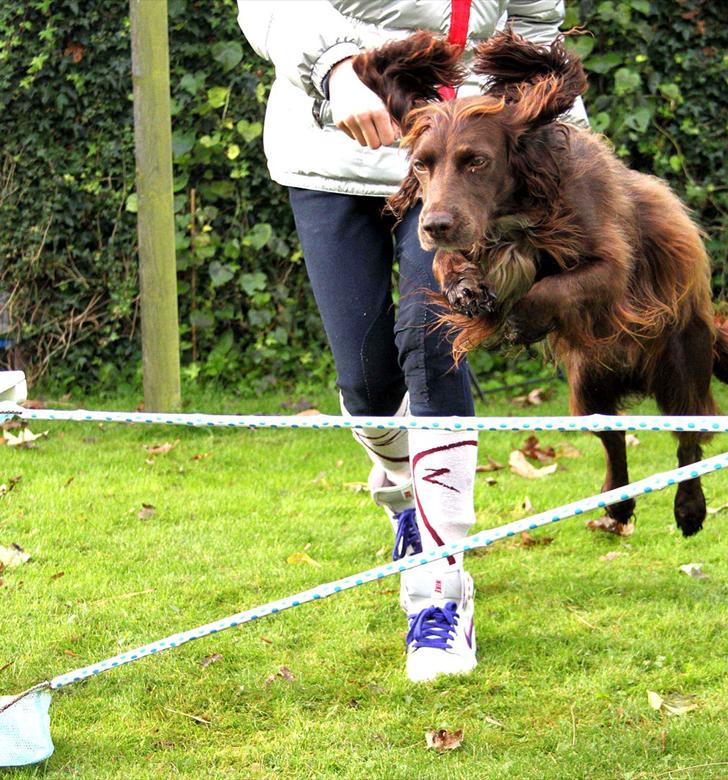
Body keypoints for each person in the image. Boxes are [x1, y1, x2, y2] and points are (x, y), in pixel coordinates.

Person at [237, 0, 578, 683]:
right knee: (366, 383)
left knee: (432, 343)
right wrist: (337, 70)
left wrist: (570, 152)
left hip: (461, 165)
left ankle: (441, 596)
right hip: (334, 148)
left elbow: (538, 35)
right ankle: (407, 489)